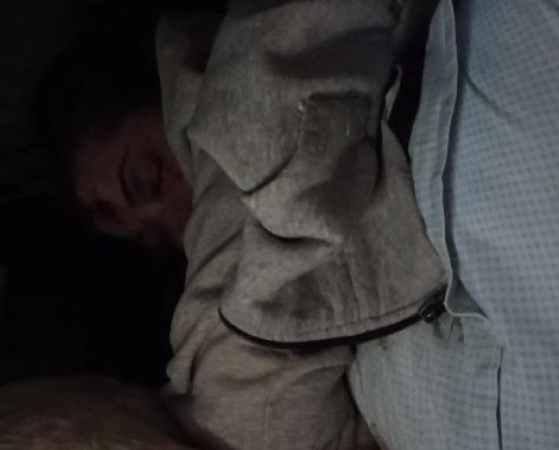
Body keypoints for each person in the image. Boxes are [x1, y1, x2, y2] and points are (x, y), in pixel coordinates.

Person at [61, 0, 559, 449]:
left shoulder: (241, 79)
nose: (169, 220)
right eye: (151, 239)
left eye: (145, 178)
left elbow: (254, 420)